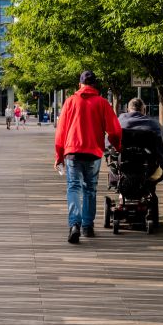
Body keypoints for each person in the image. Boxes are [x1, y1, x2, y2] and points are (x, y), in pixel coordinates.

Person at [55, 70, 122, 244]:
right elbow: (114, 129)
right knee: (90, 188)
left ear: (80, 84)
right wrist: (118, 146)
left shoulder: (70, 102)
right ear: (94, 85)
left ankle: (74, 225)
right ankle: (87, 226)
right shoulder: (102, 103)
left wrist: (59, 155)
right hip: (93, 152)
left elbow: (61, 131)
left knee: (73, 188)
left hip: (72, 152)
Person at [119, 98, 163, 184]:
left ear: (128, 109)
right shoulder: (154, 124)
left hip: (123, 162)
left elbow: (108, 142)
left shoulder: (119, 122)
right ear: (143, 110)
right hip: (148, 164)